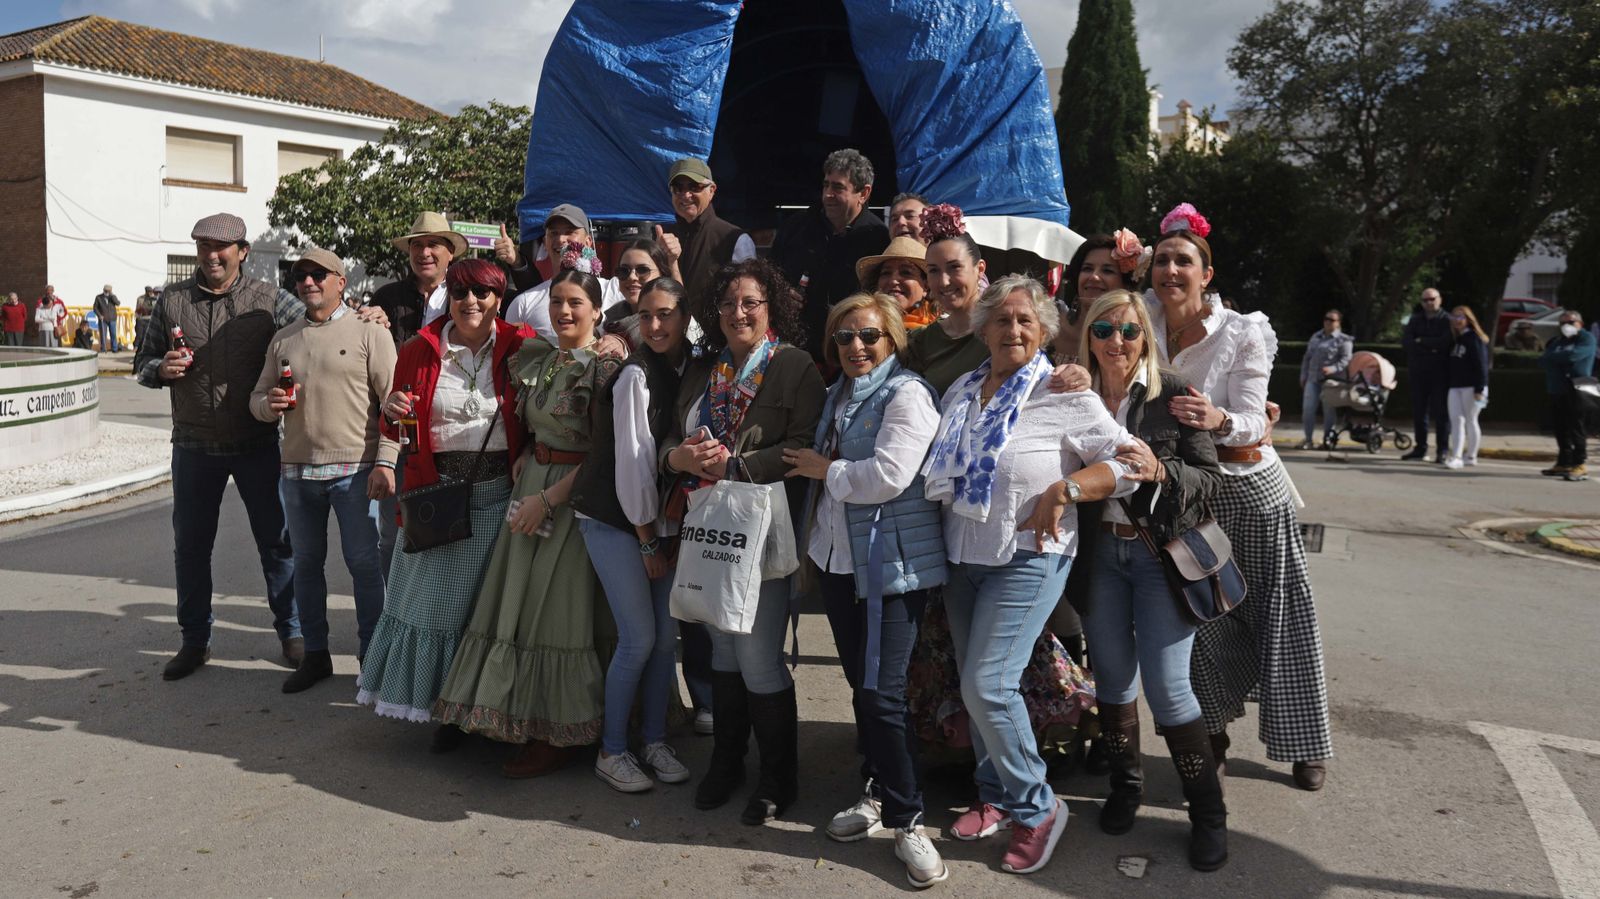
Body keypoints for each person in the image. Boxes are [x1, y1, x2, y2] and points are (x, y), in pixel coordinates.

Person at [921, 274, 1136, 876]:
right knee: (976, 685)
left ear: (1043, 332)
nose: (1012, 329)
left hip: (1031, 556)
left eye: (1025, 321)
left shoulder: (1063, 392)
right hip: (963, 556)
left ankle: (1039, 807)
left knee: (988, 686)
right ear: (983, 329)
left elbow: (1130, 462)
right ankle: (994, 793)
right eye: (1002, 319)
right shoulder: (962, 390)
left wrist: (1068, 489)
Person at [1142, 202, 1333, 792]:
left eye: (1184, 261)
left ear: (1207, 275)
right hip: (1184, 492)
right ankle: (1212, 738)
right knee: (1200, 618)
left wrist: (1218, 417)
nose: (1171, 271)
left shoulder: (1243, 330)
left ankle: (1304, 743)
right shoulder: (1139, 319)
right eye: (1162, 260)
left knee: (1281, 614)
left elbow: (1254, 419)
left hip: (1249, 486)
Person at [432, 266, 627, 777]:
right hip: (533, 485)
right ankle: (522, 715)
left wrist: (549, 497)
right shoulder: (543, 357)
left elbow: (604, 453)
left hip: (573, 498)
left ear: (597, 311)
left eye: (576, 303)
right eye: (557, 301)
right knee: (520, 602)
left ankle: (559, 731)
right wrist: (529, 456)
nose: (564, 311)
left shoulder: (605, 368)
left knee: (559, 612)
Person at [783, 292, 949, 888]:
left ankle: (909, 819)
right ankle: (877, 789)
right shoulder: (840, 393)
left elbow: (889, 476)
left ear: (893, 339)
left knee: (882, 694)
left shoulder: (907, 394)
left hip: (890, 569)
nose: (856, 346)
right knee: (863, 686)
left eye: (869, 335)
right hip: (839, 562)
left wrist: (823, 469)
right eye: (844, 336)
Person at [1062, 288, 1228, 871]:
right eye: (1104, 330)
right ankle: (1125, 787)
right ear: (1088, 336)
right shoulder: (1072, 394)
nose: (1118, 342)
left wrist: (1163, 470)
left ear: (1146, 339)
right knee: (1112, 679)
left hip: (1159, 556)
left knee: (1168, 687)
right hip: (1099, 556)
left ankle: (1207, 813)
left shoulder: (1172, 391)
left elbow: (1210, 477)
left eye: (1130, 331)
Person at [665, 258, 825, 825]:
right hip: (709, 522)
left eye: (751, 302)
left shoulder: (794, 366)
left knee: (758, 656)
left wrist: (734, 465)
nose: (739, 313)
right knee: (723, 650)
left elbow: (803, 445)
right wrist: (682, 457)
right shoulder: (705, 369)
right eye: (729, 303)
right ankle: (727, 762)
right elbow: (672, 436)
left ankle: (779, 777)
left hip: (762, 527)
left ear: (770, 308)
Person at [356, 258, 529, 745]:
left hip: (501, 496)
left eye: (482, 293)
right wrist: (390, 413)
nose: (470, 302)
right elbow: (396, 421)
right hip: (438, 494)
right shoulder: (419, 348)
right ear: (447, 298)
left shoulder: (524, 346)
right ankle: (444, 712)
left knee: (488, 614)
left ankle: (482, 711)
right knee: (436, 611)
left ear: (499, 299)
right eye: (460, 292)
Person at [133, 213, 303, 681]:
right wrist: (160, 370)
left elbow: (321, 321)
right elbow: (142, 363)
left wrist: (362, 316)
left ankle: (292, 632)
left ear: (242, 252)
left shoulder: (268, 299)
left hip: (256, 442)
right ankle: (194, 640)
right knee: (191, 547)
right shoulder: (172, 301)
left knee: (277, 543)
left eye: (221, 247)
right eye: (203, 246)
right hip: (193, 445)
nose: (211, 255)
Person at [568, 277, 697, 793]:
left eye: (665, 314)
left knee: (665, 639)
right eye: (646, 316)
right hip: (615, 517)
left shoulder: (686, 367)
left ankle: (654, 740)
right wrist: (648, 539)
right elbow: (633, 466)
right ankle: (612, 750)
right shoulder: (635, 376)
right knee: (639, 638)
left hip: (658, 521)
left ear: (685, 317)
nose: (655, 325)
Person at [247, 248, 397, 693]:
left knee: (364, 565)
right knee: (306, 566)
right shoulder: (284, 339)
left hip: (356, 470)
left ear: (340, 281)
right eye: (300, 275)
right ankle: (315, 655)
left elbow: (394, 405)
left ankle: (373, 657)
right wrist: (268, 404)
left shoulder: (370, 331)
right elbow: (257, 398)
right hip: (297, 473)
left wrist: (386, 460)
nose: (308, 282)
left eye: (318, 274)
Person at [769, 149, 891, 362]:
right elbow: (767, 273)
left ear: (864, 193)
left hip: (849, 355)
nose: (827, 194)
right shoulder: (796, 227)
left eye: (838, 187)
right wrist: (780, 293)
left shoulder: (878, 239)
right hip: (792, 349)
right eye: (826, 185)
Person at [503, 204, 635, 340]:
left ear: (588, 242)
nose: (561, 239)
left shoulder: (615, 290)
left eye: (570, 232)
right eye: (554, 233)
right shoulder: (523, 303)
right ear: (545, 242)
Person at [900, 205, 991, 394]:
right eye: (934, 270)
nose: (944, 281)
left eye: (954, 267)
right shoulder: (921, 342)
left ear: (980, 269)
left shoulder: (1004, 329)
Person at [663, 158, 756, 316]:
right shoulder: (663, 237)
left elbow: (748, 297)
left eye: (694, 187)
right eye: (678, 188)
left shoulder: (734, 238)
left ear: (711, 190)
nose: (685, 195)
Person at [370, 211, 469, 347]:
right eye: (417, 245)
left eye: (433, 244)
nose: (424, 253)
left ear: (450, 252)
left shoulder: (467, 297)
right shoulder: (386, 298)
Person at [1055, 230, 1147, 366]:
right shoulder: (1049, 327)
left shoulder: (1130, 342)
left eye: (1107, 271)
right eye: (1087, 269)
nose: (1094, 276)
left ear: (1126, 284)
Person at [1539, 310, 1596, 481]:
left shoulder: (1586, 338)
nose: (1566, 326)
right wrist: (1556, 358)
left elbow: (1574, 356)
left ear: (1580, 323)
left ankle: (1579, 464)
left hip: (1579, 386)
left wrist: (1554, 358)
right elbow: (1543, 360)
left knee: (1576, 427)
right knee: (1560, 427)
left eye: (1571, 322)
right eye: (1563, 323)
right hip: (1557, 388)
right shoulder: (1556, 341)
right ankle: (1564, 462)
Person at [1401, 287, 1451, 461]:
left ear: (1440, 299)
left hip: (1440, 372)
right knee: (1419, 412)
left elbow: (1445, 342)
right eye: (1425, 300)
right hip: (1418, 371)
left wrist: (1421, 340)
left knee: (1441, 413)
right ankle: (1420, 448)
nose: (1429, 303)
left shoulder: (1447, 320)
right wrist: (1431, 347)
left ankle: (1442, 450)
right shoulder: (1415, 320)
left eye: (1432, 299)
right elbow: (1407, 342)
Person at [1443, 306, 1490, 470]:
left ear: (1468, 319)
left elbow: (1481, 365)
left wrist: (1479, 389)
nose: (1457, 320)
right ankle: (1457, 456)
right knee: (1456, 420)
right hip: (1455, 386)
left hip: (1472, 387)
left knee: (1470, 420)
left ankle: (1470, 456)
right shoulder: (1457, 339)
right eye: (1454, 317)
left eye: (1461, 317)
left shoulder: (1474, 338)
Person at [855, 235, 937, 329]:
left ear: (926, 285)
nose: (893, 281)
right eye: (886, 273)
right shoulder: (860, 327)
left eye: (906, 272)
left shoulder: (944, 329)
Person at [1299, 310, 1353, 449]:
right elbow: (1307, 357)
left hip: (1331, 382)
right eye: (1326, 318)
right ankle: (1308, 440)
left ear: (1338, 323)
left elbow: (1346, 360)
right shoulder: (1316, 336)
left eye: (1332, 320)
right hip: (1313, 379)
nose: (1328, 322)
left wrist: (1332, 368)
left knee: (1329, 411)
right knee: (1308, 409)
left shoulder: (1344, 340)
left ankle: (1327, 441)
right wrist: (1303, 375)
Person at [93, 284, 121, 352]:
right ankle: (103, 348)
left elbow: (118, 303)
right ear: (103, 290)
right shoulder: (98, 297)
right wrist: (99, 315)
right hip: (103, 319)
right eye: (106, 290)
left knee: (113, 334)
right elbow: (95, 308)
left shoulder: (113, 297)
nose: (107, 292)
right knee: (103, 335)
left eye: (109, 291)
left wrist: (112, 296)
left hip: (112, 318)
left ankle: (114, 348)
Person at [134, 286, 158, 350]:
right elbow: (137, 309)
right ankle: (136, 346)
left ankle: (146, 347)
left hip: (149, 318)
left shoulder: (154, 299)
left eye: (150, 291)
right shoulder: (140, 298)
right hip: (141, 318)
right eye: (148, 291)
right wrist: (137, 316)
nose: (149, 293)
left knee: (147, 334)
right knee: (139, 334)